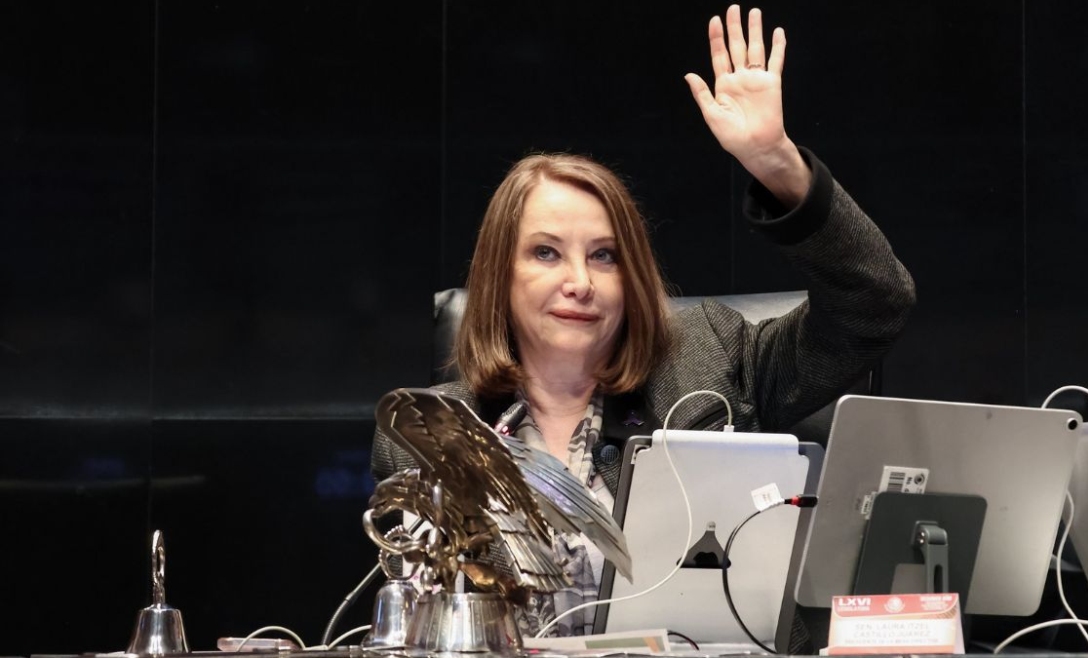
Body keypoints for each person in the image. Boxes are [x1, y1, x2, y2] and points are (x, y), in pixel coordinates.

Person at [371, 3, 915, 648]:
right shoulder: (427, 434)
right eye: (546, 253)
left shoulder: (712, 359)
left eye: (605, 256)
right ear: (499, 276)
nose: (580, 281)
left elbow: (874, 301)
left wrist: (777, 164)